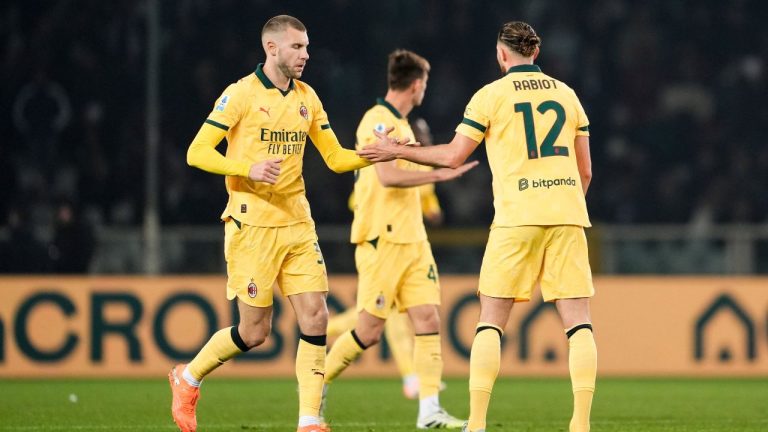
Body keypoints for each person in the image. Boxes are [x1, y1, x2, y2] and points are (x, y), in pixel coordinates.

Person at [358, 22, 597, 432]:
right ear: (534, 54)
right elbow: (586, 172)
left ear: (502, 55)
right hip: (567, 214)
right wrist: (561, 200)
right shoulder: (568, 95)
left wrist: (398, 148)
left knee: (491, 319)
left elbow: (453, 156)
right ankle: (580, 424)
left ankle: (478, 424)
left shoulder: (490, 96)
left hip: (516, 218)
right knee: (578, 321)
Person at [169, 15, 383, 432]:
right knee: (254, 333)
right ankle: (187, 377)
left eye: (306, 47)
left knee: (316, 316)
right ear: (271, 48)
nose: (306, 55)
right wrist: (247, 168)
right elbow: (197, 153)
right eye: (297, 47)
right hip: (252, 226)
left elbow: (337, 158)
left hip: (298, 223)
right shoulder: (241, 95)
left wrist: (378, 154)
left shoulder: (308, 97)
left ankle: (309, 421)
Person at [322, 49, 475, 429]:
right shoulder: (376, 121)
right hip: (382, 239)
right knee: (369, 331)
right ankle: (316, 383)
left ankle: (429, 411)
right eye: (426, 84)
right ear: (417, 84)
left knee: (427, 319)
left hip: (413, 239)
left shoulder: (403, 125)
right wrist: (438, 176)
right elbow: (387, 178)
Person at [327, 117, 444, 401]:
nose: (426, 135)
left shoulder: (422, 168)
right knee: (379, 320)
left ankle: (323, 331)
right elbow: (356, 201)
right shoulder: (386, 166)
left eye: (428, 132)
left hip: (410, 243)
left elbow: (433, 211)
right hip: (381, 242)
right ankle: (411, 379)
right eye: (422, 131)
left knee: (377, 317)